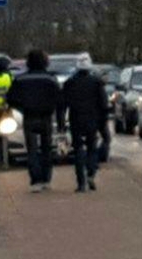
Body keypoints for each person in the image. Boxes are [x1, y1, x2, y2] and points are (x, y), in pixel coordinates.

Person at [7, 50, 64, 193]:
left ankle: (35, 180)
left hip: (29, 116)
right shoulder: (51, 79)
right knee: (46, 149)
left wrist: (23, 108)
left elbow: (10, 98)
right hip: (46, 117)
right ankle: (46, 179)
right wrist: (58, 119)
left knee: (31, 150)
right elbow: (59, 100)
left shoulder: (20, 79)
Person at [63, 61, 109, 192]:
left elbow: (63, 103)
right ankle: (91, 173)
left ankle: (81, 183)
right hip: (92, 120)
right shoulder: (96, 82)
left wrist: (62, 122)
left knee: (78, 149)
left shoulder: (70, 82)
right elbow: (104, 104)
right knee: (92, 148)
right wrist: (103, 121)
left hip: (76, 119)